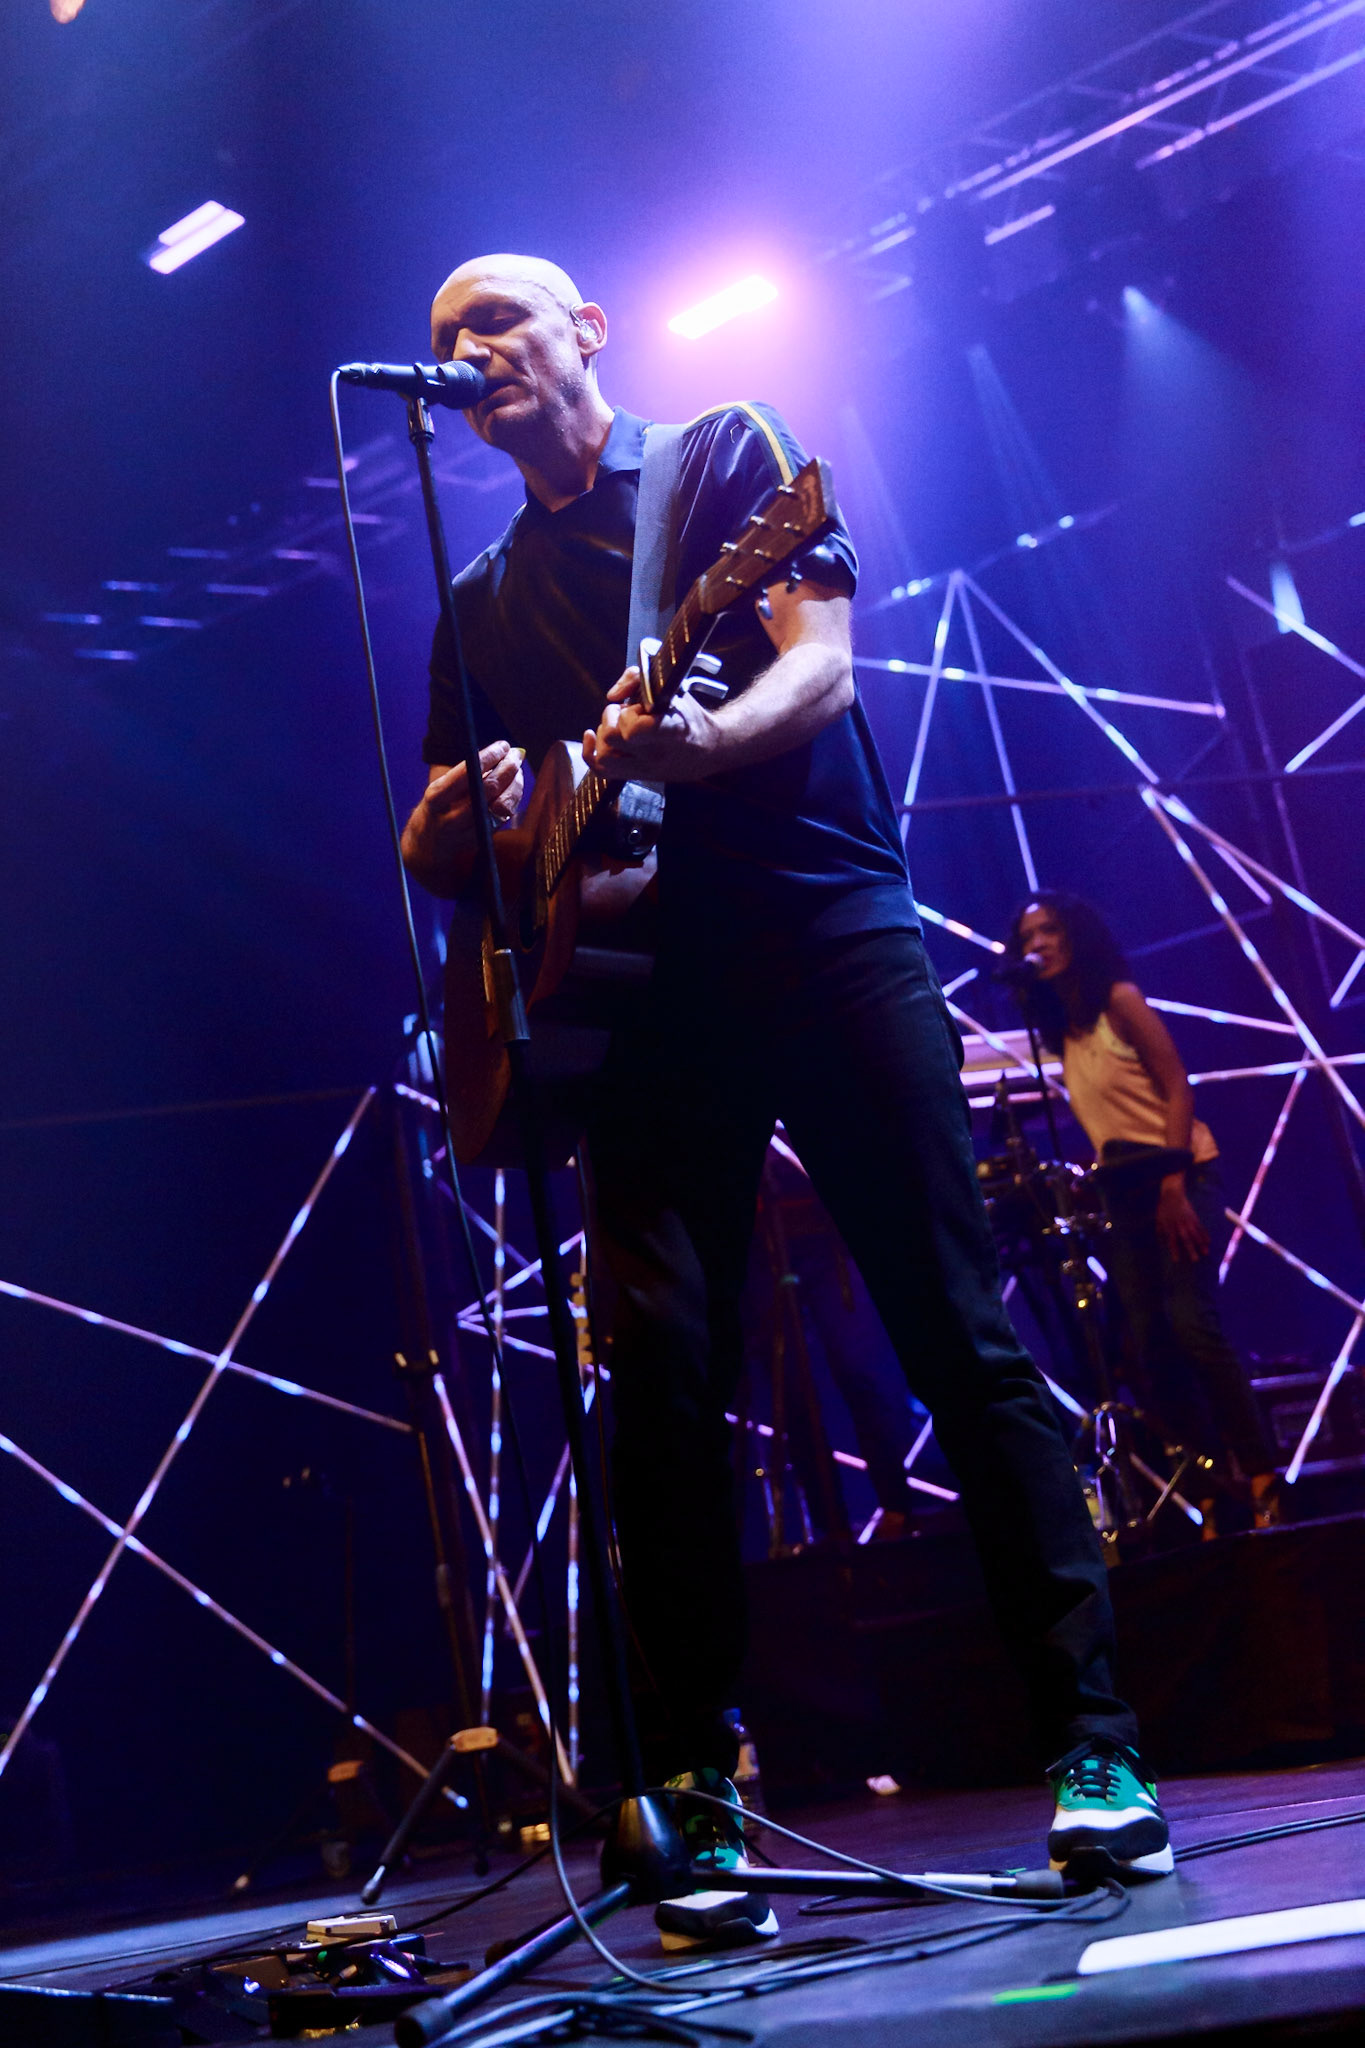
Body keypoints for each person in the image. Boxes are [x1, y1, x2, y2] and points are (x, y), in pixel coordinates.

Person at [400, 254, 1171, 1942]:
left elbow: (819, 669)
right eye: (445, 341)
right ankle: (689, 1788)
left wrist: (693, 743)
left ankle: (1097, 1753)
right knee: (659, 1385)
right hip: (639, 1002)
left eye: (496, 323)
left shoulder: (730, 465)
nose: (466, 354)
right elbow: (435, 840)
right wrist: (500, 814)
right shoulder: (482, 600)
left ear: (586, 328)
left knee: (954, 1329)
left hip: (826, 934)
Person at [1009, 893, 1279, 1529]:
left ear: (1076, 935)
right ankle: (1214, 1488)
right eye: (1028, 935)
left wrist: (1173, 1184)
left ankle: (1263, 1470)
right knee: (1150, 1348)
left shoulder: (1119, 1002)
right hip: (1124, 1197)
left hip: (1181, 1178)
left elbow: (1176, 1083)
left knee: (1191, 1324)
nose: (1039, 943)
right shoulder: (1063, 1028)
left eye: (1050, 930)